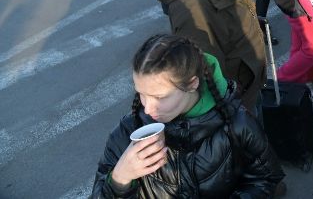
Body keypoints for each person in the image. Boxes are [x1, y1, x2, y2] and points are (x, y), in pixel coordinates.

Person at [91, 34, 284, 198]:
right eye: (140, 93)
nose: (147, 108)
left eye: (159, 97)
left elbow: (266, 178)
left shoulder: (237, 125)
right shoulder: (128, 131)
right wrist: (119, 178)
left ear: (192, 84)